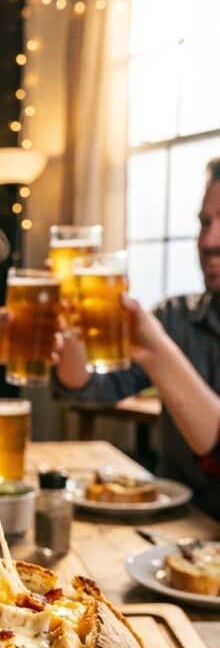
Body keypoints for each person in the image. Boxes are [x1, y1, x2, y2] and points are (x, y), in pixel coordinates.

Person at [54, 158, 220, 519]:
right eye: (205, 222)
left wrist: (158, 351)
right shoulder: (175, 317)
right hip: (174, 535)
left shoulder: (161, 335)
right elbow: (85, 388)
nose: (209, 241)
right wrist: (73, 318)